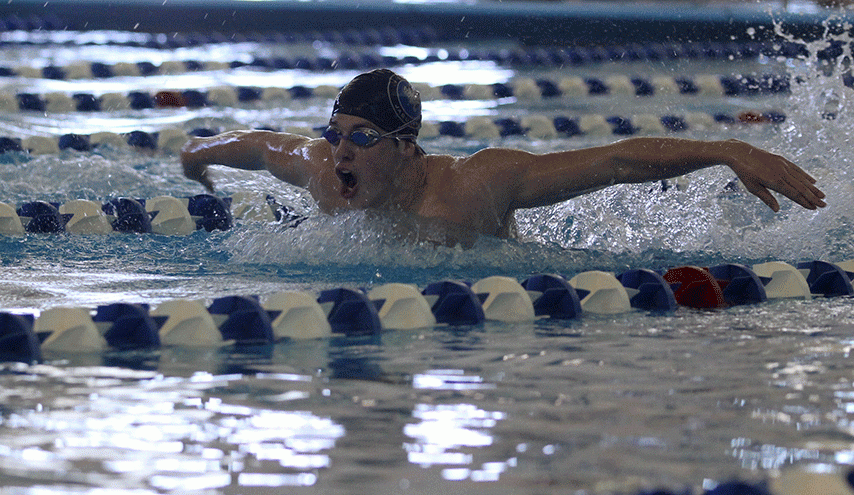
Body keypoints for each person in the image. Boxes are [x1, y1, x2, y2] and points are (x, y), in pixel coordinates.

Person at [181, 68, 826, 241]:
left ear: (406, 151)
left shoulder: (474, 186)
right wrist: (197, 154)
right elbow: (258, 147)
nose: (340, 151)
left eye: (362, 139)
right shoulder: (325, 170)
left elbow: (615, 162)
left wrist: (725, 149)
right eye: (336, 134)